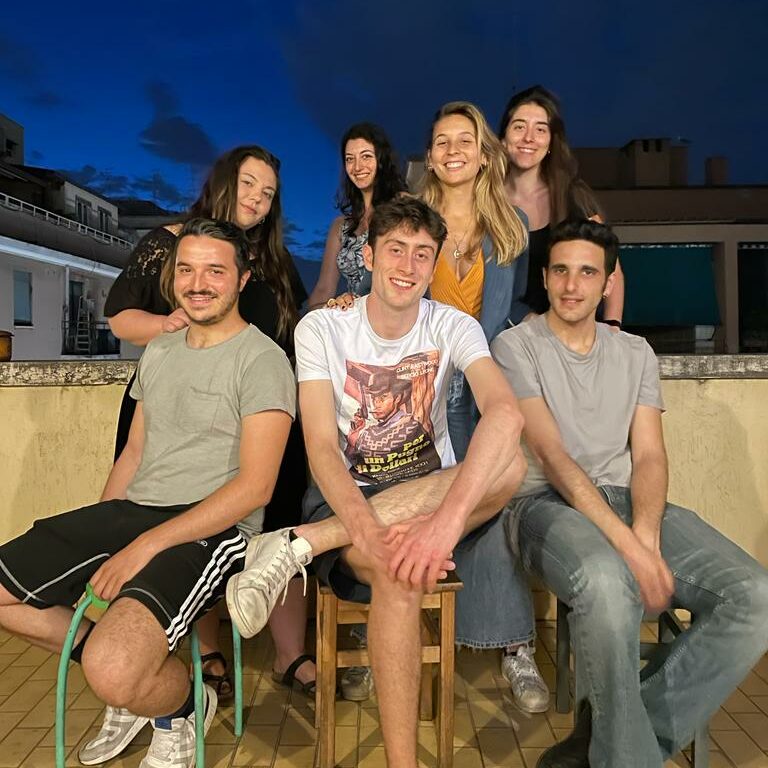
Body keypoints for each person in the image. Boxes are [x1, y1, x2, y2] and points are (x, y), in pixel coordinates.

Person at [226, 197, 528, 768]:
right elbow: (320, 447)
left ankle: (299, 545)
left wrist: (441, 529)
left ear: (434, 264)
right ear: (368, 256)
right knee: (398, 574)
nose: (408, 266)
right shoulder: (323, 327)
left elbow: (506, 414)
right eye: (396, 249)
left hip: (430, 499)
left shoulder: (453, 325)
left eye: (422, 254)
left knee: (511, 462)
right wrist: (364, 529)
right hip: (348, 497)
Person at [0, 219, 297, 768]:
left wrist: (144, 547)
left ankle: (178, 706)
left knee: (113, 670)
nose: (198, 283)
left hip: (214, 528)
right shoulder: (160, 351)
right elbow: (134, 454)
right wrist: (104, 529)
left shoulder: (262, 360)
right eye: (186, 269)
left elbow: (255, 487)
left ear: (242, 279)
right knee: (40, 616)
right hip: (135, 510)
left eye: (215, 271)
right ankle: (135, 682)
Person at [492, 219, 768, 768]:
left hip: (627, 499)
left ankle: (610, 741)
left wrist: (645, 531)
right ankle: (623, 753)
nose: (572, 285)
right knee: (607, 581)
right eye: (560, 271)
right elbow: (552, 455)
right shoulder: (514, 346)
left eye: (587, 272)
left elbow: (650, 455)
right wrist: (633, 550)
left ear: (608, 280)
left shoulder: (635, 351)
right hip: (544, 505)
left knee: (756, 596)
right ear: (544, 278)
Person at [104, 145, 316, 703]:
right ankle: (207, 653)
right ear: (223, 182)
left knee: (280, 525)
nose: (257, 199)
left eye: (268, 193)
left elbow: (299, 322)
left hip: (263, 409)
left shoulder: (270, 259)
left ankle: (291, 654)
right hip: (182, 406)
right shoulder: (170, 242)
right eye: (248, 184)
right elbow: (120, 317)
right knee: (191, 517)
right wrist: (170, 324)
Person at [420, 100, 549, 712]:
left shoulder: (510, 225)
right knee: (404, 495)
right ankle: (379, 629)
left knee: (492, 498)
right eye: (442, 141)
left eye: (464, 140)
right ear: (430, 155)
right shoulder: (413, 218)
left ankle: (513, 645)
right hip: (420, 385)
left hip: (480, 386)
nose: (453, 151)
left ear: (483, 154)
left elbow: (515, 303)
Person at [499, 85, 625, 325]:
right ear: (503, 139)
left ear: (550, 142)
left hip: (572, 329)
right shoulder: (486, 200)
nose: (528, 137)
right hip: (509, 332)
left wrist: (613, 326)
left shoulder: (573, 197)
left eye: (540, 129)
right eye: (519, 127)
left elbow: (611, 268)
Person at [307, 122, 407, 309]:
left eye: (366, 156)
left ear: (381, 159)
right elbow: (324, 289)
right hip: (352, 316)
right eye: (350, 159)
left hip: (394, 315)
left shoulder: (403, 207)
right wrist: (327, 309)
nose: (357, 166)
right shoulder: (340, 226)